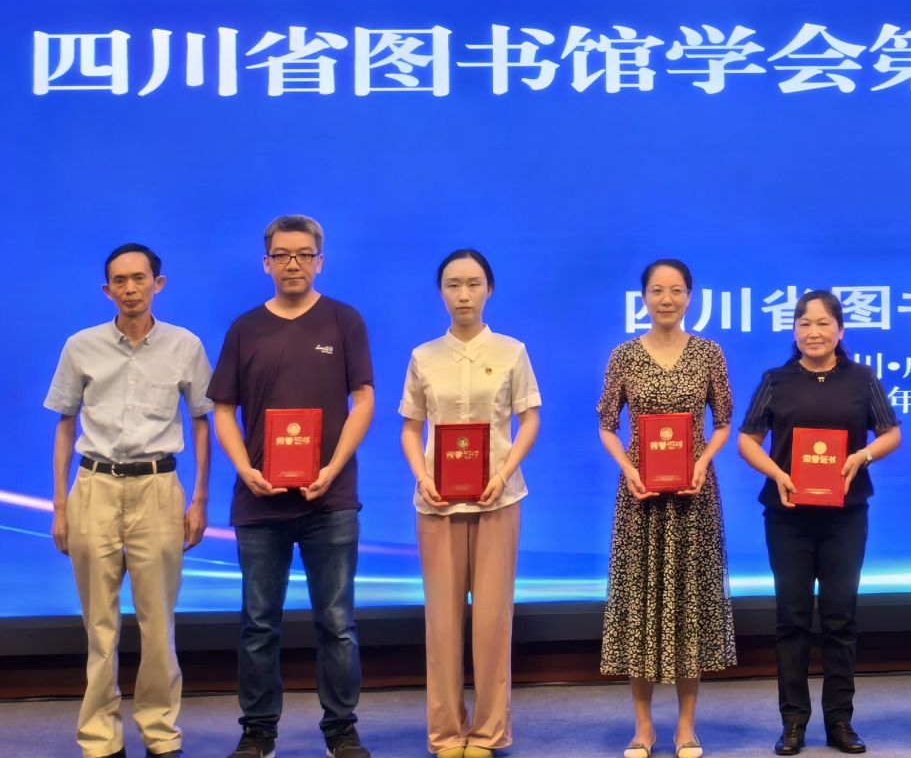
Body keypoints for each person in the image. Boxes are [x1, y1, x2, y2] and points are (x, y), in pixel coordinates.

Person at [207, 214, 376, 758]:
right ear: (267, 263)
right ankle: (258, 731)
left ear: (320, 261)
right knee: (259, 624)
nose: (293, 263)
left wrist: (333, 466)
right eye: (282, 255)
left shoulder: (344, 321)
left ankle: (341, 729)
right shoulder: (244, 329)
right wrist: (244, 469)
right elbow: (223, 409)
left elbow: (364, 400)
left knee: (337, 623)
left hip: (331, 499)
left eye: (304, 254)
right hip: (259, 501)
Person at [45, 243, 213, 758]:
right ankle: (100, 737)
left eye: (139, 278)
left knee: (157, 622)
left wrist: (200, 499)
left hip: (158, 489)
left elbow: (201, 421)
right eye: (119, 280)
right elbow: (65, 423)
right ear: (107, 290)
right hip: (93, 487)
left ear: (158, 284)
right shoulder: (80, 346)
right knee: (99, 624)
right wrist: (59, 506)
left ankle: (160, 732)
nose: (130, 288)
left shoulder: (185, 345)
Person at [736, 291, 902, 757]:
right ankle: (793, 722)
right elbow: (748, 440)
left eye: (824, 323)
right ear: (794, 331)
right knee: (791, 619)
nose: (814, 332)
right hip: (787, 515)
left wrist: (862, 456)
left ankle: (839, 721)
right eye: (805, 324)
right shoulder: (776, 380)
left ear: (840, 330)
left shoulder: (862, 378)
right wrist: (777, 473)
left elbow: (891, 433)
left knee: (839, 617)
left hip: (845, 516)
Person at [398, 249, 542, 758]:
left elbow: (529, 420)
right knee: (441, 624)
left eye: (474, 284)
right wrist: (422, 476)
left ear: (489, 290)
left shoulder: (511, 351)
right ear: (441, 292)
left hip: (498, 500)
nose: (464, 295)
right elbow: (411, 428)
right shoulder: (423, 356)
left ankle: (487, 732)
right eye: (453, 285)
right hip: (437, 504)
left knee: (491, 622)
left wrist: (502, 473)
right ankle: (446, 733)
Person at [597, 258, 736, 758]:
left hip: (694, 496)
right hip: (641, 497)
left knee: (688, 608)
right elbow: (606, 424)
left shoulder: (709, 353)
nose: (667, 299)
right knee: (640, 606)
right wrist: (627, 467)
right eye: (657, 290)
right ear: (644, 298)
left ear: (689, 297)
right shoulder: (623, 355)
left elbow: (723, 421)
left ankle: (685, 726)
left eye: (676, 290)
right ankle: (642, 727)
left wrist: (703, 459)